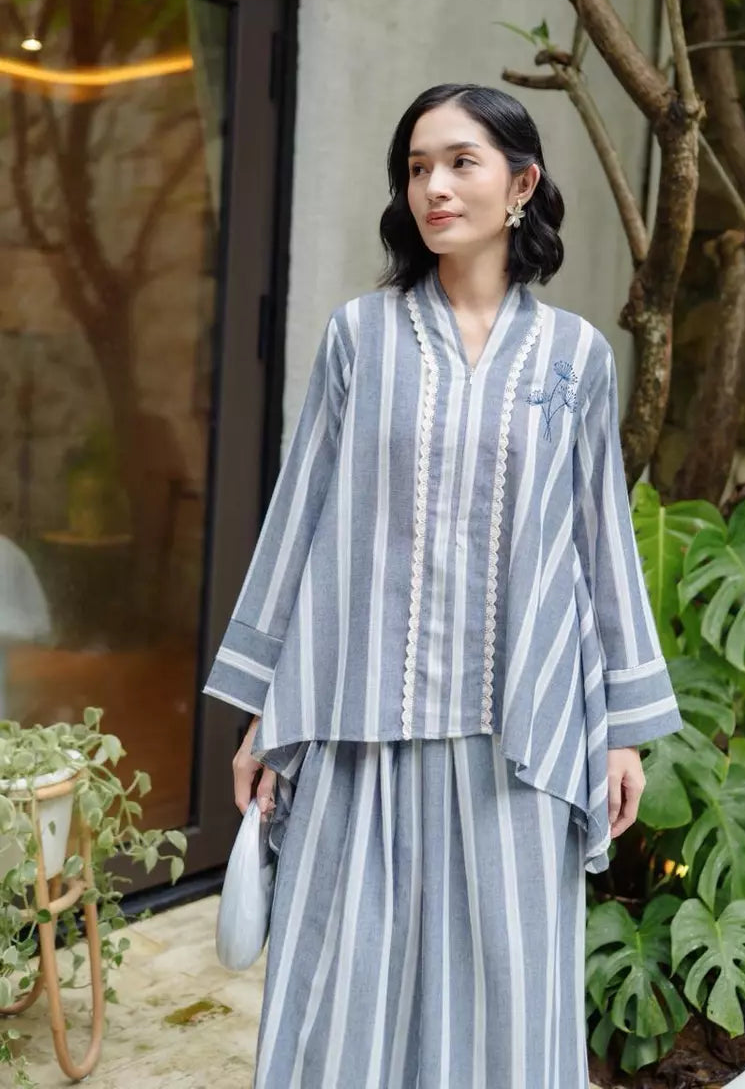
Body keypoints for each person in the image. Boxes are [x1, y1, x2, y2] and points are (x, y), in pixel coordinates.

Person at [203, 83, 682, 1088]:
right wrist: (260, 715)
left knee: (506, 992)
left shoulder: (576, 359)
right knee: (344, 990)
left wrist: (623, 731)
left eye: (462, 162)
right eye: (418, 168)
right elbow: (299, 522)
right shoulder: (359, 337)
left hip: (518, 735)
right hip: (358, 727)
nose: (435, 187)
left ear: (522, 185)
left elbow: (602, 540)